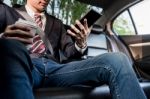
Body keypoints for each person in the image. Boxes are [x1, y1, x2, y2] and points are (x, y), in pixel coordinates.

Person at [0, 0, 147, 99]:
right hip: (23, 64)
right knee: (11, 46)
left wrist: (80, 43)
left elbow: (70, 51)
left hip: (56, 70)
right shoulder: (6, 11)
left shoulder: (56, 23)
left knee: (118, 59)